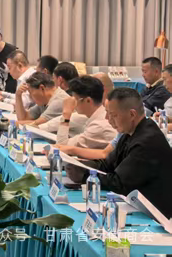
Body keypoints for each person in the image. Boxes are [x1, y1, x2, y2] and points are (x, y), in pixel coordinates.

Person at [67, 88, 172, 218]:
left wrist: (84, 176)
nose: (108, 119)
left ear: (132, 114)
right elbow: (107, 165)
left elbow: (119, 183)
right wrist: (79, 164)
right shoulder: (130, 133)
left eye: (113, 115)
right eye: (107, 113)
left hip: (158, 215)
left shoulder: (147, 140)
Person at [56, 76, 117, 148]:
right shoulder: (99, 115)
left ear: (88, 100)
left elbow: (61, 146)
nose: (73, 103)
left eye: (75, 99)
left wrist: (66, 114)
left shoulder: (99, 125)